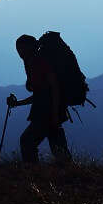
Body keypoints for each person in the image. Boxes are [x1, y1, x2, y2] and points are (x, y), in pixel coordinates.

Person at [7, 34, 72, 163]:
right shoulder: (33, 63)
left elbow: (53, 88)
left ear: (29, 48)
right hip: (49, 112)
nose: (19, 53)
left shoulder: (39, 63)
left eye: (21, 49)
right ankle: (72, 176)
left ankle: (34, 175)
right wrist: (18, 103)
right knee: (59, 150)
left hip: (46, 113)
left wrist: (54, 114)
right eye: (18, 49)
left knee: (27, 142)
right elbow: (40, 95)